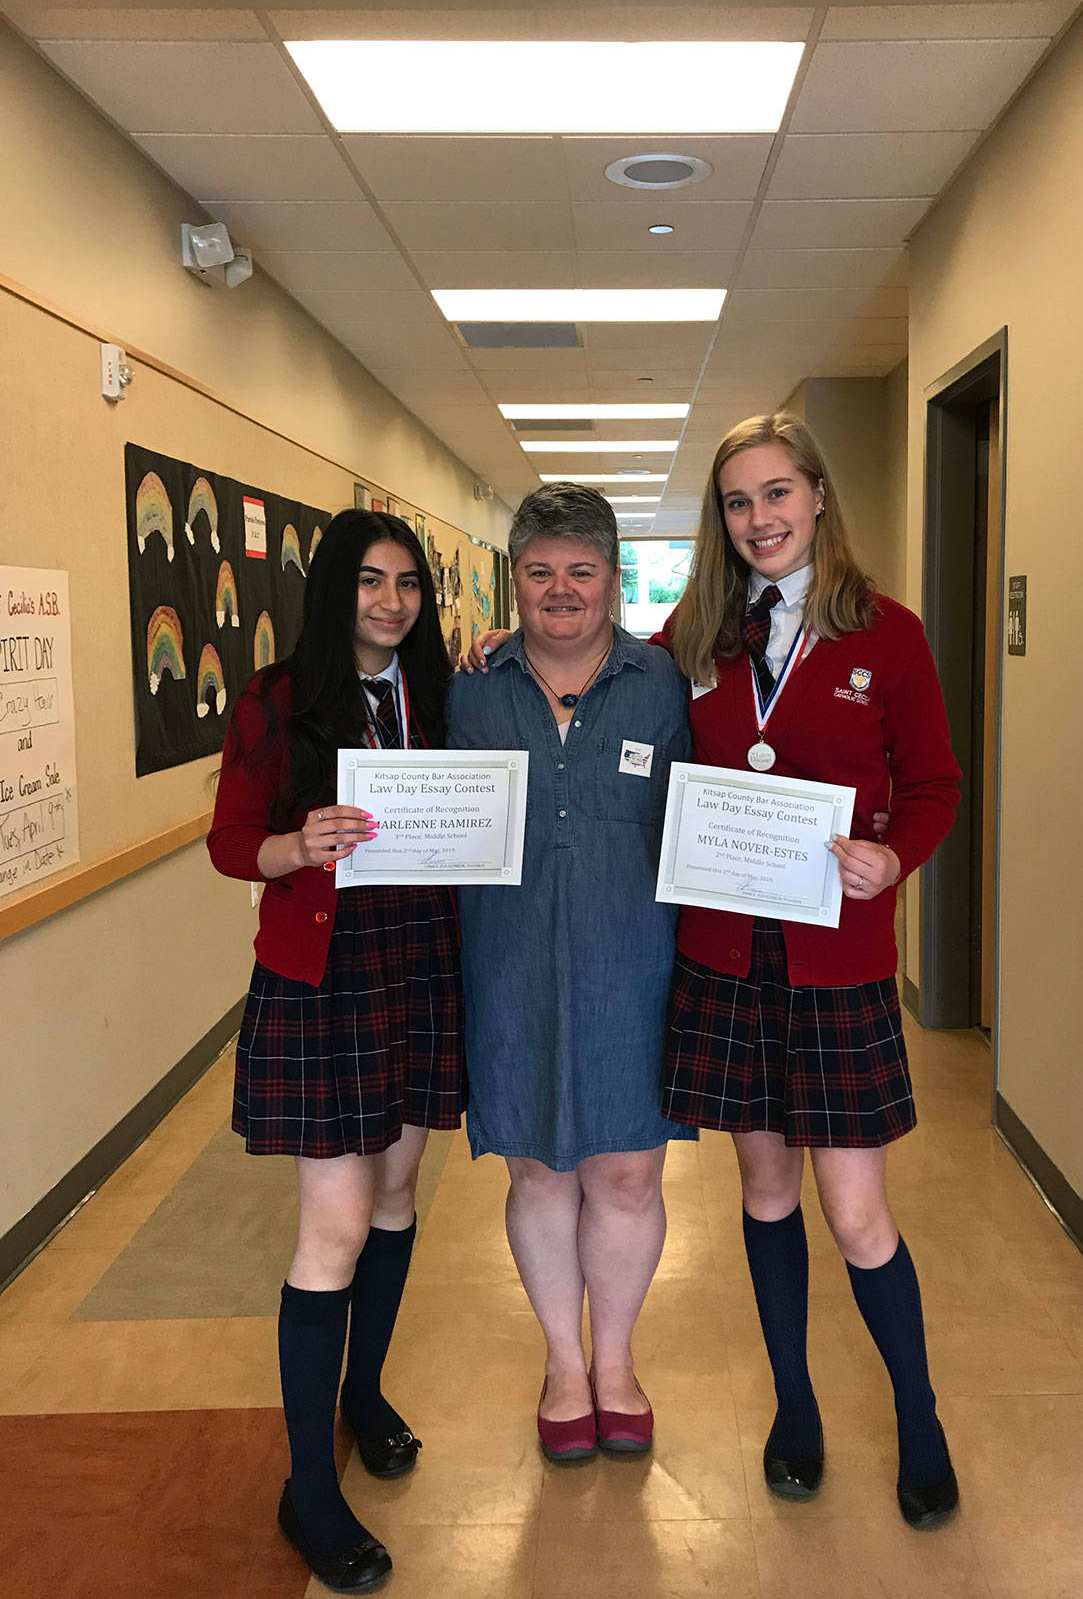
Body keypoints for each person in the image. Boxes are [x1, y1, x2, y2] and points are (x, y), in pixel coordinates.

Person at [656, 412, 962, 1525]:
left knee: (856, 1211)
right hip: (727, 961)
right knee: (765, 1189)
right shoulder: (694, 636)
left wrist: (895, 856)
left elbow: (932, 782)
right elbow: (598, 684)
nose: (759, 519)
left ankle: (917, 1418)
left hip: (834, 959)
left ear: (819, 496)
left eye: (777, 494)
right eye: (738, 502)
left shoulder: (885, 633)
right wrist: (512, 652)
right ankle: (794, 1404)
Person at [208, 509, 464, 1593]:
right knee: (338, 1225)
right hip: (325, 977)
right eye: (368, 582)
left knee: (400, 1196)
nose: (390, 602)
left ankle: (364, 1393)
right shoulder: (278, 700)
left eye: (406, 584)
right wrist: (293, 845)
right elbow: (229, 845)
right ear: (333, 590)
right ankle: (308, 1488)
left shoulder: (444, 698)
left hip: (421, 964)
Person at [447, 482, 694, 1464]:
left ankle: (619, 1363)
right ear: (514, 580)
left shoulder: (664, 687)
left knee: (628, 1172)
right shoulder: (468, 689)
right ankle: (562, 1365)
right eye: (539, 572)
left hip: (634, 963)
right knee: (539, 1167)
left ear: (612, 578)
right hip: (507, 965)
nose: (560, 590)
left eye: (580, 571)